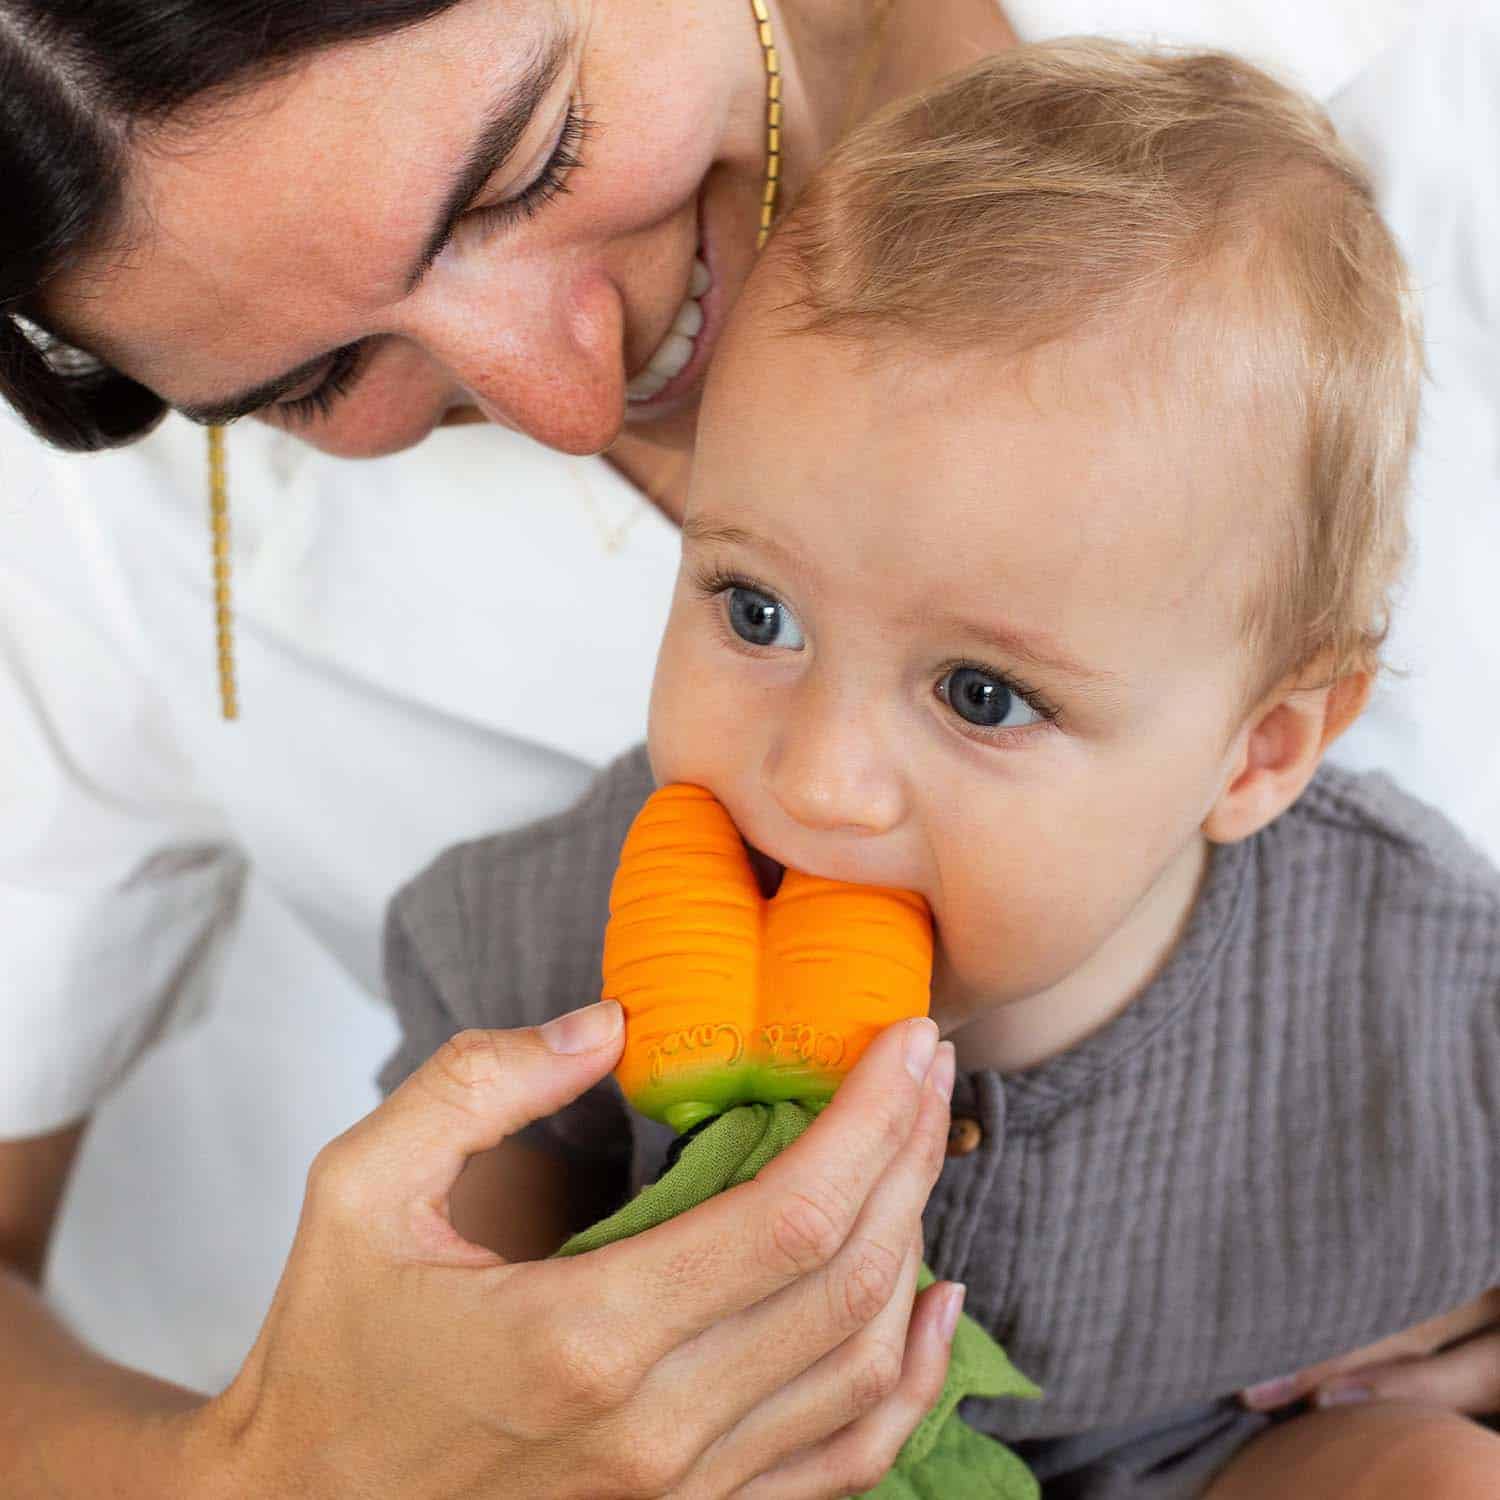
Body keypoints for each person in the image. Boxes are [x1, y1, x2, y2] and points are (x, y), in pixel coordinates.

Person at [380, 42, 1500, 1498]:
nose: (823, 777)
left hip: (1221, 1456)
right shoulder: (567, 933)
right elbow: (442, 1322)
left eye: (983, 694)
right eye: (754, 611)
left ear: (1260, 750)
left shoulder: (1422, 983)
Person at [0, 2, 1026, 1495]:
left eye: (532, 162)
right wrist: (266, 1468)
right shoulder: (107, 537)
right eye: (317, 380)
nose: (568, 403)